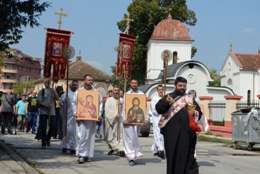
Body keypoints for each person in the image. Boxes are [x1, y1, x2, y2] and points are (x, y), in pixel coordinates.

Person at [155, 77, 200, 174]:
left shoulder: (189, 99)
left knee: (186, 156)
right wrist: (165, 102)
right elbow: (158, 109)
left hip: (186, 134)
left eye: (184, 86)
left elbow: (198, 113)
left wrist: (194, 112)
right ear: (175, 85)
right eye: (180, 85)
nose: (182, 88)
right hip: (171, 134)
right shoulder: (170, 97)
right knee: (173, 156)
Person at [122, 79, 149, 166]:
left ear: (137, 84)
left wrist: (146, 119)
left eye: (135, 83)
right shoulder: (126, 95)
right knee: (129, 139)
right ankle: (130, 157)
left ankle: (134, 154)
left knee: (135, 138)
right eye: (133, 83)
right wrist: (124, 119)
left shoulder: (141, 95)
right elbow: (123, 109)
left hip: (138, 123)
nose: (134, 84)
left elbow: (145, 108)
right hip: (128, 122)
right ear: (130, 84)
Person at [76, 74, 102, 164]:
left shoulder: (95, 92)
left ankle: (88, 155)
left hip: (92, 119)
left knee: (90, 137)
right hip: (82, 119)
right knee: (82, 136)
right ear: (84, 81)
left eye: (91, 80)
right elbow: (74, 103)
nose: (90, 81)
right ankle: (82, 155)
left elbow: (100, 104)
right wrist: (76, 114)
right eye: (88, 80)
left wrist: (99, 114)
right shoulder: (79, 91)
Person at [37, 78, 59, 148]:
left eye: (48, 82)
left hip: (52, 112)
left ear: (50, 83)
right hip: (43, 112)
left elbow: (58, 98)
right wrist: (46, 105)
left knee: (52, 127)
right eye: (46, 82)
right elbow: (39, 101)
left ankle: (48, 139)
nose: (47, 83)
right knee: (44, 128)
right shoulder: (42, 91)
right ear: (44, 83)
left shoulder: (53, 91)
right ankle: (43, 143)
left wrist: (54, 92)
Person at [188, 89, 210, 159]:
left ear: (195, 96)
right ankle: (190, 153)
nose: (192, 96)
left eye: (193, 95)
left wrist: (205, 125)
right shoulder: (187, 103)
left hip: (194, 125)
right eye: (190, 94)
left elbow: (200, 115)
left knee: (194, 140)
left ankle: (193, 153)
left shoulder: (196, 104)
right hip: (189, 125)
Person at [60, 80, 79, 154]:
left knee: (75, 132)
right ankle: (65, 145)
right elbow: (61, 102)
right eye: (73, 85)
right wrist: (64, 101)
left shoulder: (79, 94)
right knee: (68, 131)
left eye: (76, 85)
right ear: (70, 86)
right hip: (68, 115)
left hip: (76, 116)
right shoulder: (66, 94)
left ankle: (73, 147)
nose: (74, 86)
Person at [104, 86, 124, 156]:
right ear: (112, 92)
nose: (116, 92)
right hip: (111, 120)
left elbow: (124, 110)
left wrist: (121, 115)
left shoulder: (121, 100)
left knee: (119, 135)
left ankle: (120, 149)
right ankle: (114, 148)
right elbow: (107, 110)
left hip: (120, 121)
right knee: (111, 136)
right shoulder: (109, 100)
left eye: (117, 90)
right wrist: (115, 115)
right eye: (114, 90)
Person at [150, 84, 165, 159]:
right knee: (158, 134)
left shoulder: (165, 98)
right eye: (159, 89)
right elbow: (154, 110)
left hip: (164, 119)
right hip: (157, 118)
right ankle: (161, 150)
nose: (161, 91)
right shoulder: (154, 99)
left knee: (161, 135)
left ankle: (155, 149)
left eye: (162, 89)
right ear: (157, 90)